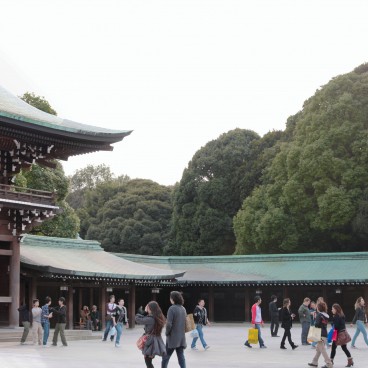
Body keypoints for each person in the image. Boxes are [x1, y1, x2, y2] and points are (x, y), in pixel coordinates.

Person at [135, 301, 166, 368]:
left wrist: (143, 312)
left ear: (151, 309)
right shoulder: (158, 317)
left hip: (150, 341)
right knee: (148, 360)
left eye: (148, 307)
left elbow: (137, 319)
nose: (147, 308)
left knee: (148, 360)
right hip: (156, 339)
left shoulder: (151, 319)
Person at [161, 291, 187, 368]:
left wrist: (167, 332)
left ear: (173, 299)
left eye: (170, 297)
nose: (170, 299)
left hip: (172, 337)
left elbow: (169, 324)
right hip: (181, 337)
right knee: (181, 356)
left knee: (166, 356)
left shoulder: (171, 309)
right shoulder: (183, 308)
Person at [308, 301, 332, 368]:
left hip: (319, 334)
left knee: (322, 350)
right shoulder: (326, 315)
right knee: (319, 350)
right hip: (324, 333)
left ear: (319, 308)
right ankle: (314, 362)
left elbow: (317, 324)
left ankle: (329, 364)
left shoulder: (319, 315)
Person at [328, 303, 353, 367]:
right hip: (343, 333)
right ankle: (350, 360)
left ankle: (331, 361)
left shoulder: (336, 316)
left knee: (333, 348)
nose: (332, 310)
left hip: (338, 334)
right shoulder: (342, 315)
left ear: (336, 309)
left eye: (333, 309)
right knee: (344, 348)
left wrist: (332, 322)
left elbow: (336, 326)